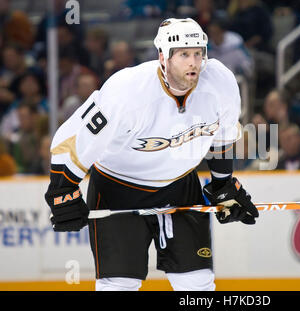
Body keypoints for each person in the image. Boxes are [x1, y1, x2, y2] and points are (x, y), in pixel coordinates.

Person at [43, 18, 258, 291]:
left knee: (197, 283)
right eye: (183, 54)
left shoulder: (220, 81)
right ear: (163, 57)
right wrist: (61, 190)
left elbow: (223, 135)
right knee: (119, 285)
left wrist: (223, 183)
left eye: (197, 53)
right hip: (117, 189)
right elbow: (72, 139)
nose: (193, 62)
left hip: (181, 186)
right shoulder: (127, 91)